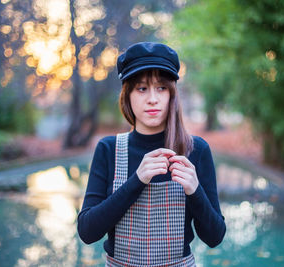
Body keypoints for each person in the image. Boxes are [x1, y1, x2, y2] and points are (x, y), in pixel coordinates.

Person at [77, 42, 226, 266]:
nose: (153, 99)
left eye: (161, 88)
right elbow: (88, 232)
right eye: (142, 88)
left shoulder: (196, 150)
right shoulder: (109, 149)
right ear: (127, 95)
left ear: (171, 95)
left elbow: (215, 238)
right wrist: (137, 180)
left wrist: (195, 190)